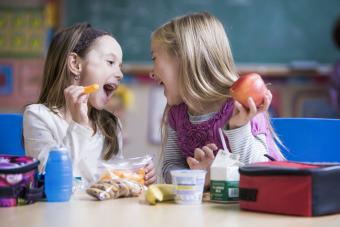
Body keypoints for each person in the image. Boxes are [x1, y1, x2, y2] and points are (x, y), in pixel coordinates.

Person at [149, 12, 284, 185]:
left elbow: (262, 173)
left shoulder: (242, 105)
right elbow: (169, 169)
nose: (151, 72)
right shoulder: (177, 114)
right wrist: (199, 177)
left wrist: (238, 128)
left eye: (154, 58)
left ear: (185, 59)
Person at [23, 23, 156, 186]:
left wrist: (134, 176)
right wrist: (80, 126)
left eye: (120, 66)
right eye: (110, 62)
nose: (120, 74)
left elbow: (111, 180)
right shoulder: (38, 116)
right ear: (75, 64)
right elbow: (53, 180)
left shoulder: (111, 126)